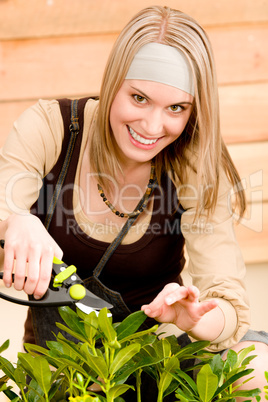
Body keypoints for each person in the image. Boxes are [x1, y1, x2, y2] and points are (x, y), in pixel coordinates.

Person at [0, 5, 267, 400]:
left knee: (257, 366)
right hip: (69, 364)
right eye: (139, 98)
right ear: (113, 83)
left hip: (163, 359)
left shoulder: (192, 164)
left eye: (176, 108)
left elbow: (227, 302)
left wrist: (194, 318)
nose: (152, 127)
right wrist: (15, 221)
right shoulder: (55, 130)